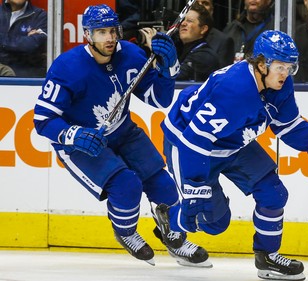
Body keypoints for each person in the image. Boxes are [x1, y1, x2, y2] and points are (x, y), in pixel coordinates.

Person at [154, 30, 308, 281]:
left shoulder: (279, 83)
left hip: (233, 141)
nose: (285, 73)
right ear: (260, 64)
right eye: (280, 66)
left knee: (273, 193)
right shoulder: (234, 91)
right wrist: (194, 186)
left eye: (290, 67)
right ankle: (170, 221)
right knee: (213, 222)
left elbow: (288, 125)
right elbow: (195, 141)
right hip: (188, 143)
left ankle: (267, 257)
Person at [33, 4, 211, 268]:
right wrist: (72, 135)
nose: (109, 38)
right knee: (126, 185)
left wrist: (168, 68)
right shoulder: (67, 68)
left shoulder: (130, 55)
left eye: (112, 31)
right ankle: (126, 232)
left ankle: (174, 236)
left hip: (124, 131)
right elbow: (42, 119)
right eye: (101, 32)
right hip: (83, 141)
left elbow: (158, 99)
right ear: (87, 34)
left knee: (162, 183)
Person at [174, 2, 220, 82]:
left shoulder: (204, 56)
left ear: (203, 29)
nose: (183, 24)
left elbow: (173, 78)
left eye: (190, 21)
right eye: (183, 20)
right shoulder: (180, 49)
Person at [0, 0, 47, 77]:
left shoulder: (40, 16)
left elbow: (32, 45)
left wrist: (2, 41)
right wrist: (22, 42)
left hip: (27, 81)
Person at [196, 0, 235, 68]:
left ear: (212, 10)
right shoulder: (181, 36)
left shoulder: (223, 41)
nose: (200, 7)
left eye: (205, 3)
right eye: (196, 4)